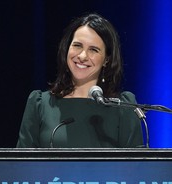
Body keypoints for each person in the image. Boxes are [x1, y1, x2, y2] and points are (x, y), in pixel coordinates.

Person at [16, 13, 144, 148]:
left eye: (93, 50)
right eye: (77, 45)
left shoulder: (123, 108)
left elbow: (135, 167)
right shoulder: (40, 104)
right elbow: (21, 166)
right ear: (67, 48)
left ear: (107, 59)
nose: (82, 56)